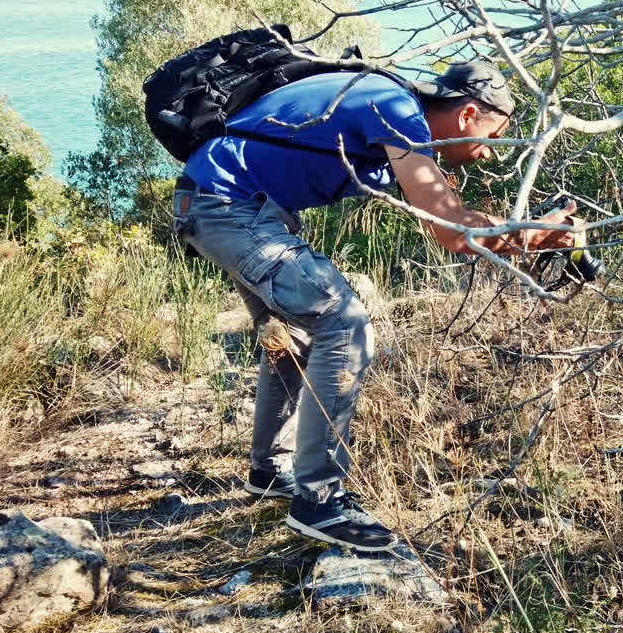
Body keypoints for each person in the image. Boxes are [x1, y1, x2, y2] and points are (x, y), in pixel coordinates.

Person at [170, 60, 575, 552]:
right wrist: (539, 236)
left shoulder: (391, 107)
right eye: (494, 136)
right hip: (231, 206)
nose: (488, 154)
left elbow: (445, 216)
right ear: (470, 113)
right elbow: (452, 230)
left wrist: (525, 242)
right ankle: (318, 500)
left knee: (292, 335)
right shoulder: (395, 108)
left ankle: (270, 471)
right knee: (343, 323)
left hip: (223, 201)